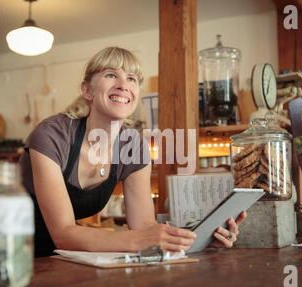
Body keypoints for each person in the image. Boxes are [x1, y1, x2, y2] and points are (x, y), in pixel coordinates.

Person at [20, 47, 247, 258]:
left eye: (131, 78)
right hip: (10, 249)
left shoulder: (134, 145)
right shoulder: (51, 135)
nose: (123, 84)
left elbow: (144, 227)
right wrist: (138, 239)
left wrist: (199, 238)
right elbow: (64, 234)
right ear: (87, 90)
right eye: (111, 75)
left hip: (63, 258)